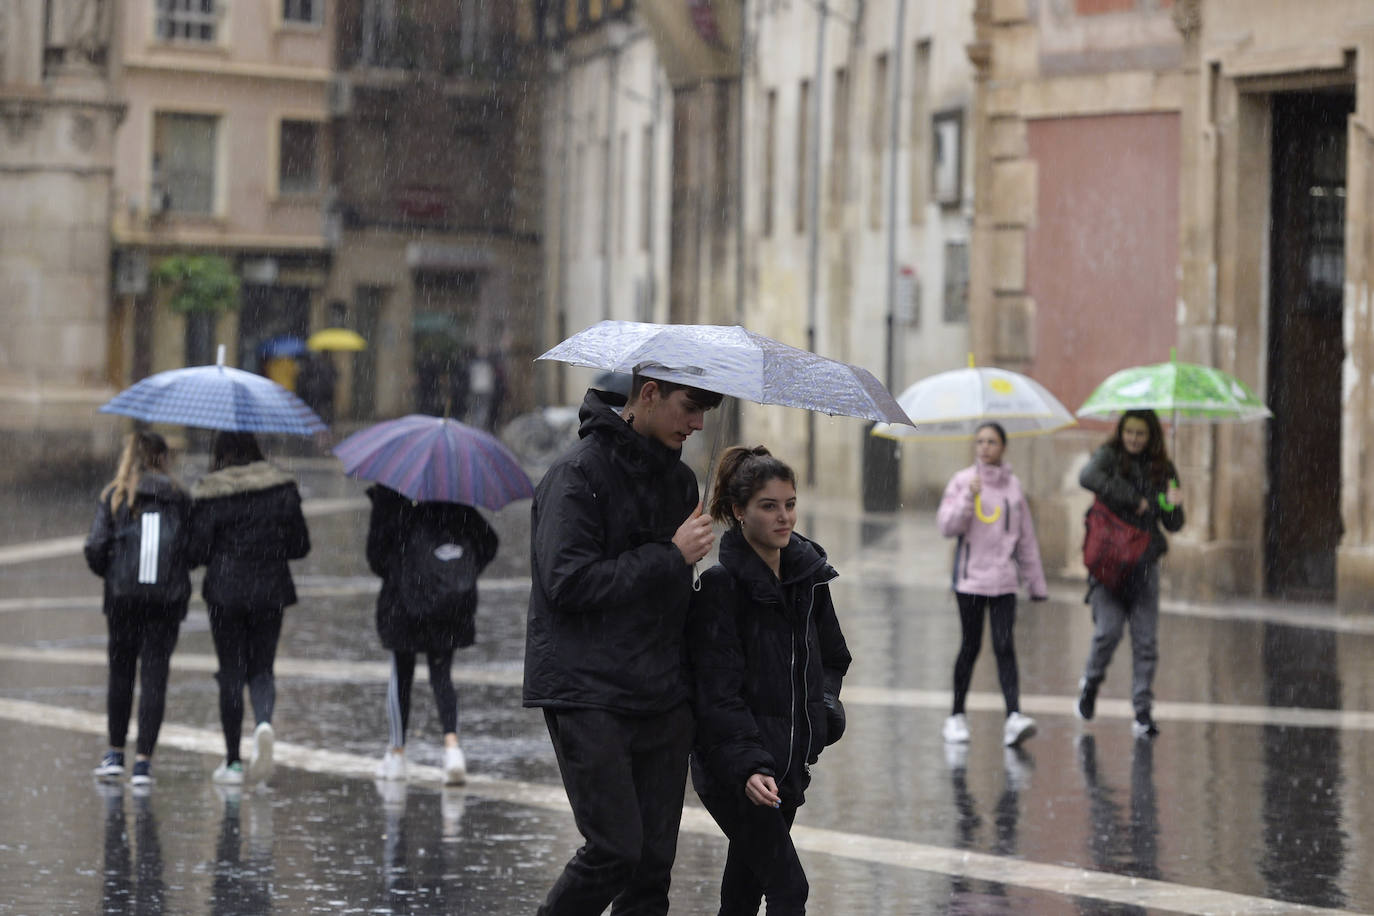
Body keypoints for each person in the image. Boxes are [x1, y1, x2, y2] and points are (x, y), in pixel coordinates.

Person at [524, 370, 723, 916]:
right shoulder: (575, 475)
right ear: (649, 394)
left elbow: (670, 596)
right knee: (614, 849)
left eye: (708, 410)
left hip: (661, 694)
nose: (699, 422)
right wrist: (670, 555)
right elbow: (566, 583)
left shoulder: (682, 484)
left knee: (652, 868)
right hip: (587, 689)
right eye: (690, 406)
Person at [687, 445, 852, 915]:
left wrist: (824, 710)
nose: (784, 517)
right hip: (737, 772)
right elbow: (717, 694)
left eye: (790, 504)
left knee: (742, 894)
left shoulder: (808, 581)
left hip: (790, 768)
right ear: (739, 511)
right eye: (768, 506)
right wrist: (749, 766)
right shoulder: (721, 588)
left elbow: (834, 657)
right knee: (788, 889)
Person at [188, 431, 311, 785]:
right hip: (270, 588)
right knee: (262, 668)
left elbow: (195, 553)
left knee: (230, 672)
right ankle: (263, 724)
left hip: (225, 592)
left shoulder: (211, 493)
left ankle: (232, 762)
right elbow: (300, 546)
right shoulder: (281, 488)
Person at [365, 483, 499, 785]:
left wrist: (404, 571)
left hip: (403, 606)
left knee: (401, 675)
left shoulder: (390, 498)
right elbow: (489, 542)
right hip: (448, 606)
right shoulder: (453, 495)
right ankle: (452, 748)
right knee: (442, 675)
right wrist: (459, 574)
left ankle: (397, 754)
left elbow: (375, 558)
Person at [84, 431, 192, 788]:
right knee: (155, 677)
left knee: (121, 674)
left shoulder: (114, 497)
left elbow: (95, 547)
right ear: (163, 458)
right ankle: (144, 762)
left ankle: (115, 753)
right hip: (166, 600)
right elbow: (193, 549)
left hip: (123, 599)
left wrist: (114, 573)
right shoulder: (179, 498)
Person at [936, 422, 1048, 749]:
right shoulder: (962, 481)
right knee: (970, 647)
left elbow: (1025, 539)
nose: (985, 447)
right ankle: (956, 716)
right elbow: (946, 525)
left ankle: (1014, 716)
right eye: (980, 441)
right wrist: (967, 500)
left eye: (992, 441)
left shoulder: (1014, 489)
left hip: (1003, 583)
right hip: (970, 581)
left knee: (1004, 646)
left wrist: (1035, 582)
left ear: (1003, 446)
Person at [1075, 409, 1184, 738]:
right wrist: (1132, 498)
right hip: (1109, 561)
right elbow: (1086, 477)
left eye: (1141, 434)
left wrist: (1172, 503)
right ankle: (1091, 682)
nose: (1134, 439)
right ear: (1121, 432)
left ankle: (1142, 710)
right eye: (1129, 432)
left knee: (1146, 641)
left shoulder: (1164, 469)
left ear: (1152, 437)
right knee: (1107, 632)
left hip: (1145, 562)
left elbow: (1173, 523)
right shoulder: (1108, 457)